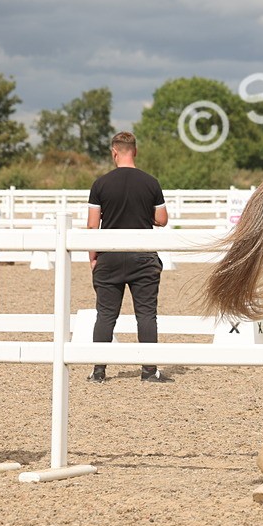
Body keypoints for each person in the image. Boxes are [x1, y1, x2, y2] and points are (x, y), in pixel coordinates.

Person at [86, 132, 168, 383]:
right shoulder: (151, 182)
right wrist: (144, 215)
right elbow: (162, 220)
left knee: (106, 314)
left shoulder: (100, 184)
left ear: (114, 152)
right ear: (135, 151)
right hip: (142, 256)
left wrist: (93, 258)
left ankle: (98, 371)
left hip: (110, 257)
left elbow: (92, 227)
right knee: (145, 314)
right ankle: (149, 371)